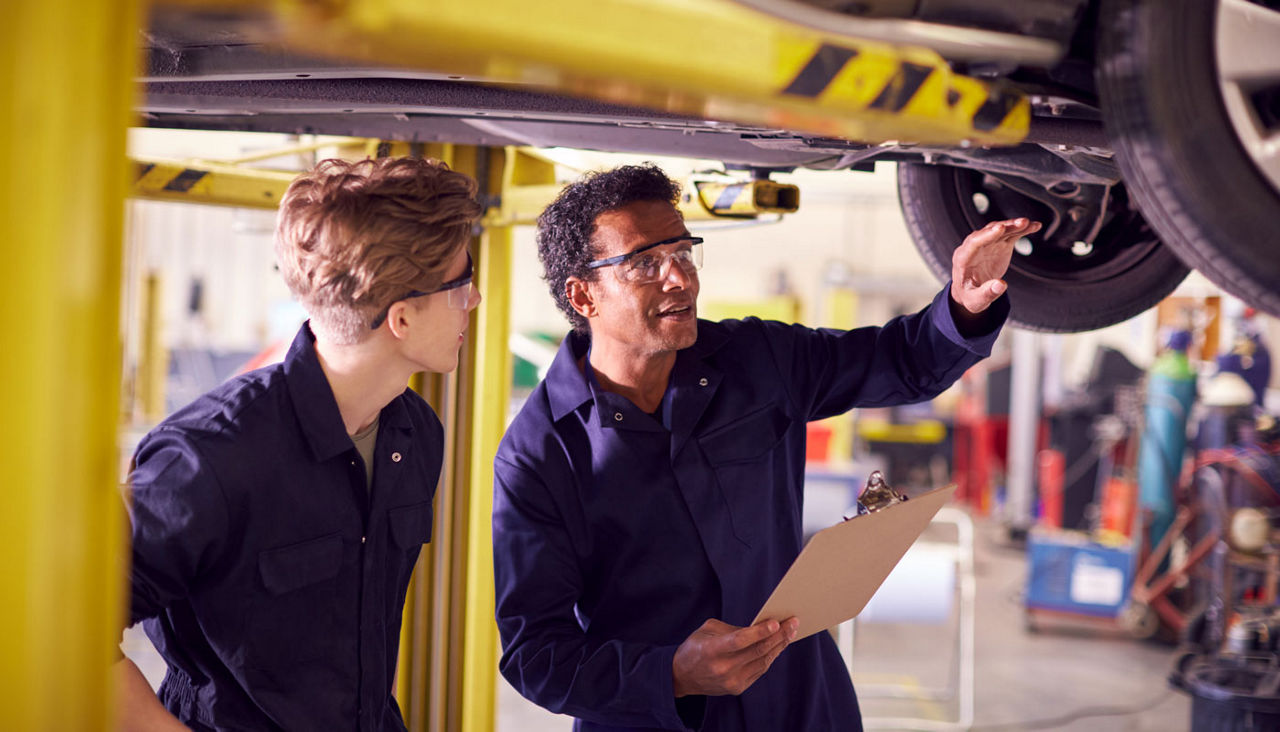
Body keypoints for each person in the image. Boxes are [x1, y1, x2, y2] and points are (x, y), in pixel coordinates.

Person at [492, 164, 1037, 731]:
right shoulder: (537, 454)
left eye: (682, 252)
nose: (679, 278)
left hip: (800, 705)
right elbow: (538, 656)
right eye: (646, 265)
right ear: (584, 296)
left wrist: (962, 305)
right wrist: (671, 673)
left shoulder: (758, 359)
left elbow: (898, 362)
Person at [115, 156, 482, 731]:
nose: (476, 300)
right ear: (402, 319)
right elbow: (59, 621)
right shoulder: (209, 459)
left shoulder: (415, 434)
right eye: (463, 283)